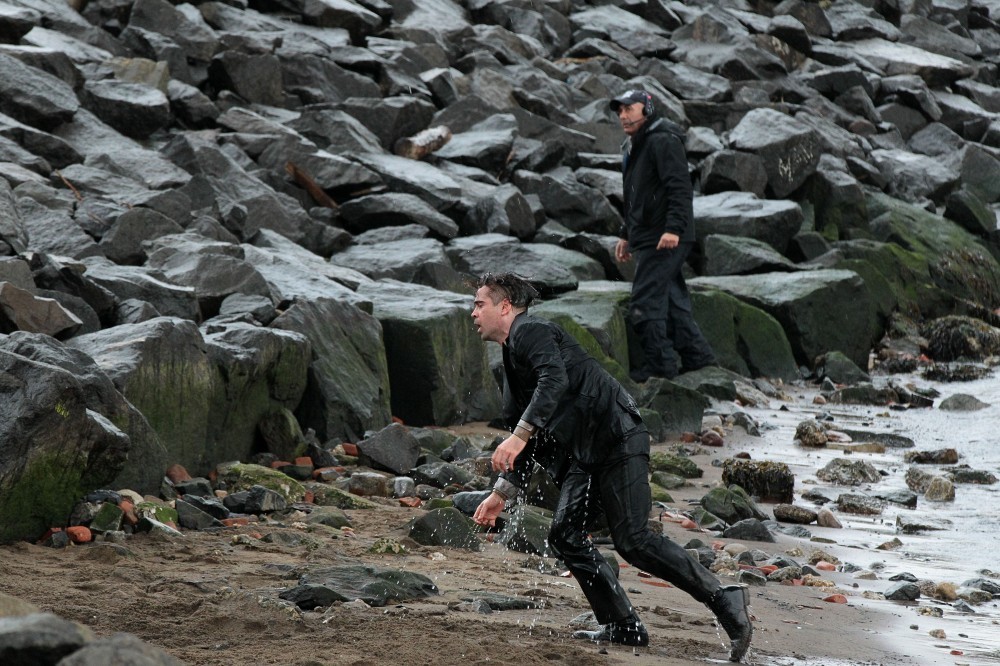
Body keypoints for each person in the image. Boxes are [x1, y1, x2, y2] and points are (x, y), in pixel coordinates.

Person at [470, 272, 752, 663]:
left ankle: (726, 600)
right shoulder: (511, 356)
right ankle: (623, 624)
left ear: (504, 307)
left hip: (618, 435)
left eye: (479, 303)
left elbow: (555, 379)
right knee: (565, 534)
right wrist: (502, 492)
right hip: (586, 455)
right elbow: (528, 434)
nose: (473, 313)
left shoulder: (531, 330)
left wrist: (517, 435)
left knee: (634, 540)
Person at [611, 89, 716, 382]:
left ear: (646, 109)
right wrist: (626, 233)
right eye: (619, 111)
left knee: (644, 301)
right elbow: (634, 194)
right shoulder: (633, 144)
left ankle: (661, 365)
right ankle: (700, 360)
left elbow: (680, 188)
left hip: (667, 236)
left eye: (629, 109)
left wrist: (673, 229)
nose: (623, 115)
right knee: (671, 300)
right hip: (649, 234)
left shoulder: (662, 139)